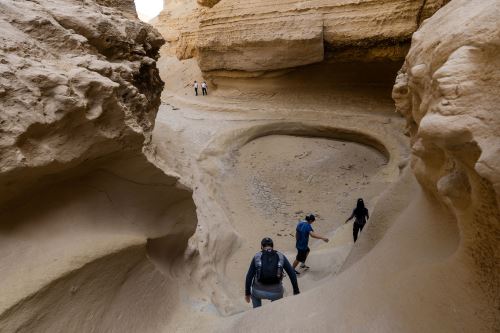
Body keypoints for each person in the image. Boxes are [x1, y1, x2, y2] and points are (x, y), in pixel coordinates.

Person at [245, 237, 299, 308]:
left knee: (254, 296)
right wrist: (296, 291)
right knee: (276, 307)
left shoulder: (257, 256)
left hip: (258, 291)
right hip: (276, 292)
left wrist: (247, 293)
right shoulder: (280, 256)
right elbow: (292, 274)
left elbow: (249, 276)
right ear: (272, 246)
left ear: (261, 246)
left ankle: (256, 312)